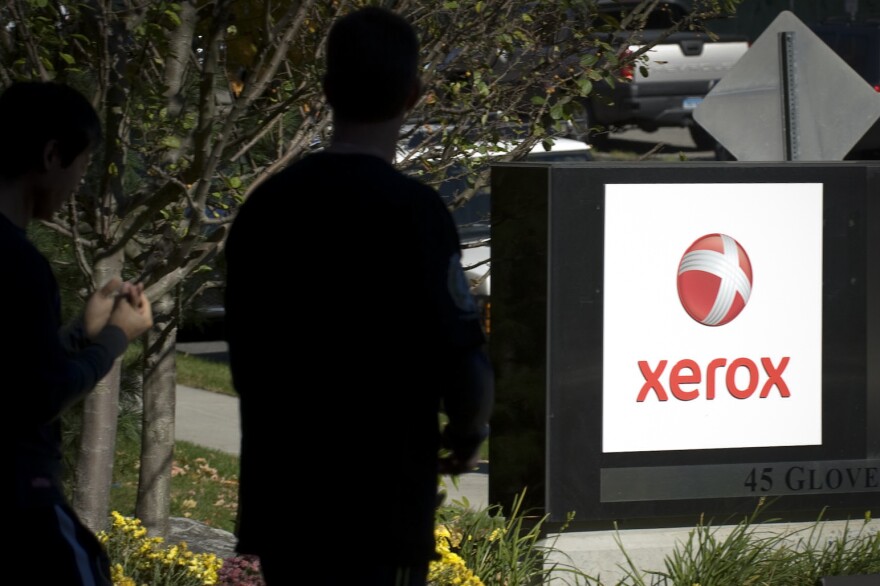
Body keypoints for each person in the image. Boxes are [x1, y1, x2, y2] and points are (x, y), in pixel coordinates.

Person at [224, 6, 494, 585]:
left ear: (324, 91)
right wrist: (467, 435)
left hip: (287, 506)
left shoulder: (266, 211)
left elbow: (246, 362)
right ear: (414, 95)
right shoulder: (417, 214)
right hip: (383, 508)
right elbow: (463, 360)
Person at [4, 81, 154, 586]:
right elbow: (39, 394)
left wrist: (76, 335)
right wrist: (115, 338)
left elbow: (17, 370)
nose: (80, 184)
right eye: (84, 166)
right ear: (51, 155)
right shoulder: (18, 263)